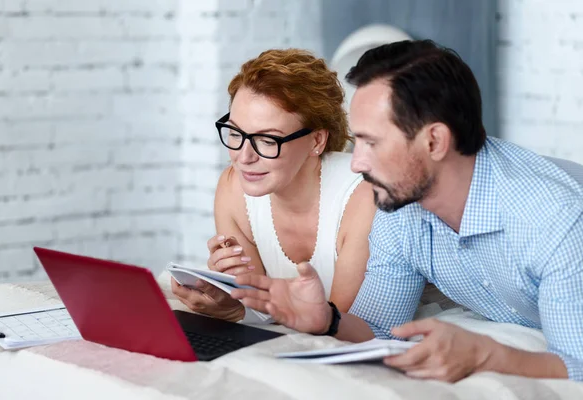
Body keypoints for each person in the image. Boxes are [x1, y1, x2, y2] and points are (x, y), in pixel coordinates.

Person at [231, 40, 583, 381]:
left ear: (434, 142)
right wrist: (328, 319)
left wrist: (486, 355)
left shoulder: (554, 218)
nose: (356, 164)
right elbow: (383, 328)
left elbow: (578, 366)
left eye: (372, 143)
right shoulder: (400, 208)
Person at [171, 49, 376, 322]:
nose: (244, 157)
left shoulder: (362, 196)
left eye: (267, 140)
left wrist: (243, 309)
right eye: (236, 133)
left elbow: (336, 326)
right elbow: (261, 310)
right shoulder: (233, 188)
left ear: (316, 141)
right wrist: (231, 300)